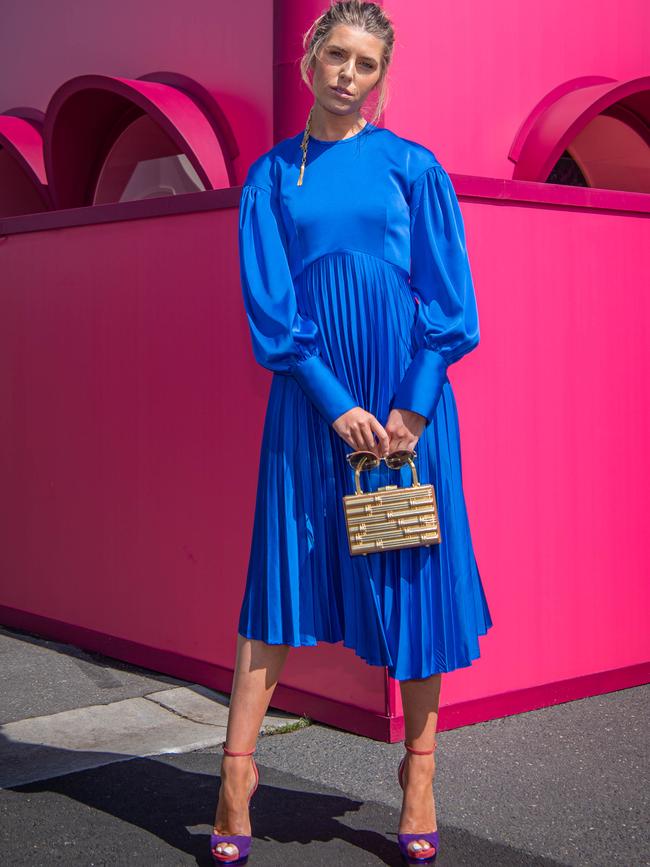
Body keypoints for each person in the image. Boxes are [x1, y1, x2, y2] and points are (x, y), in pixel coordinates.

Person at [211, 2, 493, 864]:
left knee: (410, 576)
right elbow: (272, 310)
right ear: (309, 59)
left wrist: (409, 407)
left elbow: (451, 305)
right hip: (310, 404)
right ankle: (235, 771)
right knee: (281, 580)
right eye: (337, 56)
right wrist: (335, 401)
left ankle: (419, 773)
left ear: (381, 77)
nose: (348, 75)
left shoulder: (413, 167)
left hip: (408, 406)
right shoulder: (270, 178)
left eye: (366, 65)